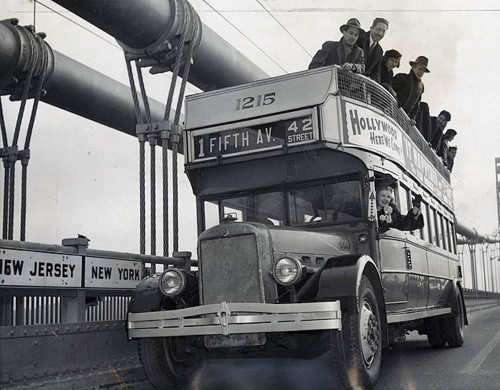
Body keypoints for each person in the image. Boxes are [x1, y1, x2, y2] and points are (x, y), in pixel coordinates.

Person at [392, 56, 430, 121]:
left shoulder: (421, 87)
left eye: (423, 71)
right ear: (413, 67)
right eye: (420, 69)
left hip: (403, 119)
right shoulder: (401, 77)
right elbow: (390, 89)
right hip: (391, 110)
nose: (421, 72)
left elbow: (416, 106)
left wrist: (413, 118)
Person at [356, 18, 389, 83]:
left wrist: (372, 80)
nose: (380, 33)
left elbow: (376, 72)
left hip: (362, 85)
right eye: (378, 29)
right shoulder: (359, 38)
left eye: (383, 31)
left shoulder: (380, 51)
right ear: (371, 28)